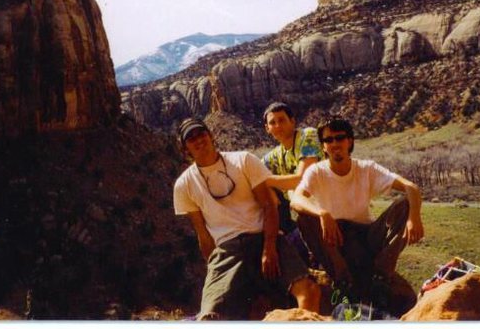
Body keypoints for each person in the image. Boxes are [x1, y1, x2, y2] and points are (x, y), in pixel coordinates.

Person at [173, 117, 320, 320]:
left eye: (201, 133)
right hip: (227, 250)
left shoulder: (243, 160)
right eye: (191, 139)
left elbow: (269, 205)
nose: (199, 140)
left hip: (263, 237)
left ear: (211, 135)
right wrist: (216, 271)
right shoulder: (184, 185)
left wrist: (269, 246)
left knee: (309, 290)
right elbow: (203, 234)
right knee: (209, 316)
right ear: (184, 148)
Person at [290, 116, 423, 317]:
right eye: (328, 140)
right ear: (323, 146)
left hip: (366, 236)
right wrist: (322, 213)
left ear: (350, 141)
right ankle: (343, 280)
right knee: (305, 218)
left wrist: (414, 217)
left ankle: (380, 277)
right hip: (336, 238)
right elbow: (296, 199)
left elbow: (410, 188)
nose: (334, 144)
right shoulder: (316, 172)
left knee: (404, 203)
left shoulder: (366, 168)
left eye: (340, 138)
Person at [262, 102, 324, 264]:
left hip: (327, 204)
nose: (277, 125)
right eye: (272, 123)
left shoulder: (307, 136)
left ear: (293, 121)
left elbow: (303, 178)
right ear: (267, 129)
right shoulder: (275, 155)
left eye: (282, 120)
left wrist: (266, 181)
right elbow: (253, 172)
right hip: (306, 210)